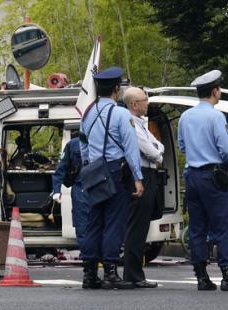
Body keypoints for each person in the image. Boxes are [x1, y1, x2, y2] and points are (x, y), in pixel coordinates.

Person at [178, 69, 228, 291]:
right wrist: (227, 165)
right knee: (223, 227)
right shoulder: (216, 116)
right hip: (213, 176)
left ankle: (201, 276)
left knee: (197, 227)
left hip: (192, 175)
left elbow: (182, 146)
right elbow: (226, 150)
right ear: (215, 91)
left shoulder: (186, 116)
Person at [79, 66, 144, 290]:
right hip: (115, 171)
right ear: (116, 89)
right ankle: (111, 272)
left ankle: (89, 274)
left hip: (94, 172)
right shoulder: (121, 114)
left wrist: (89, 166)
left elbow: (83, 145)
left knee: (94, 223)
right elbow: (131, 148)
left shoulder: (87, 113)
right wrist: (138, 177)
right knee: (114, 223)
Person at [122, 87, 164, 288]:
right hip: (140, 175)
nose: (147, 102)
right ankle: (133, 275)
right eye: (144, 99)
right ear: (133, 104)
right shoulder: (131, 124)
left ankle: (134, 273)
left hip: (148, 174)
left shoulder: (141, 123)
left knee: (142, 225)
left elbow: (159, 146)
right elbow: (150, 150)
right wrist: (156, 155)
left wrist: (157, 153)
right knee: (137, 227)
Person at [52, 135, 88, 253]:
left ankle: (90, 260)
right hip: (92, 189)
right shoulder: (105, 140)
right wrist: (57, 190)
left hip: (83, 190)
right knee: (84, 227)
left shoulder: (73, 144)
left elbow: (60, 169)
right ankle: (90, 259)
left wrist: (57, 190)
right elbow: (61, 169)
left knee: (85, 227)